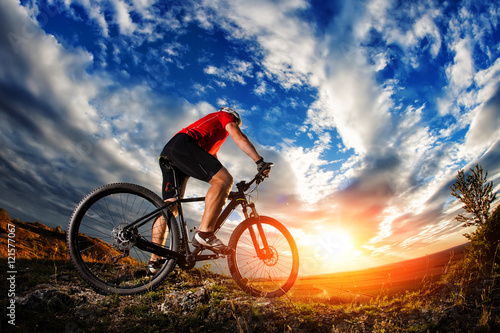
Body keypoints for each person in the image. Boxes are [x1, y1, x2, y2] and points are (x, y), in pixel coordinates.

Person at [148, 106, 271, 272]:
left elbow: (211, 162)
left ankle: (154, 262)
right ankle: (204, 233)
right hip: (183, 145)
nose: (233, 125)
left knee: (171, 208)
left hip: (170, 153)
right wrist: (259, 161)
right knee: (225, 180)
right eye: (234, 123)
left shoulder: (212, 137)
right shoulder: (224, 115)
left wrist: (222, 184)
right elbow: (239, 137)